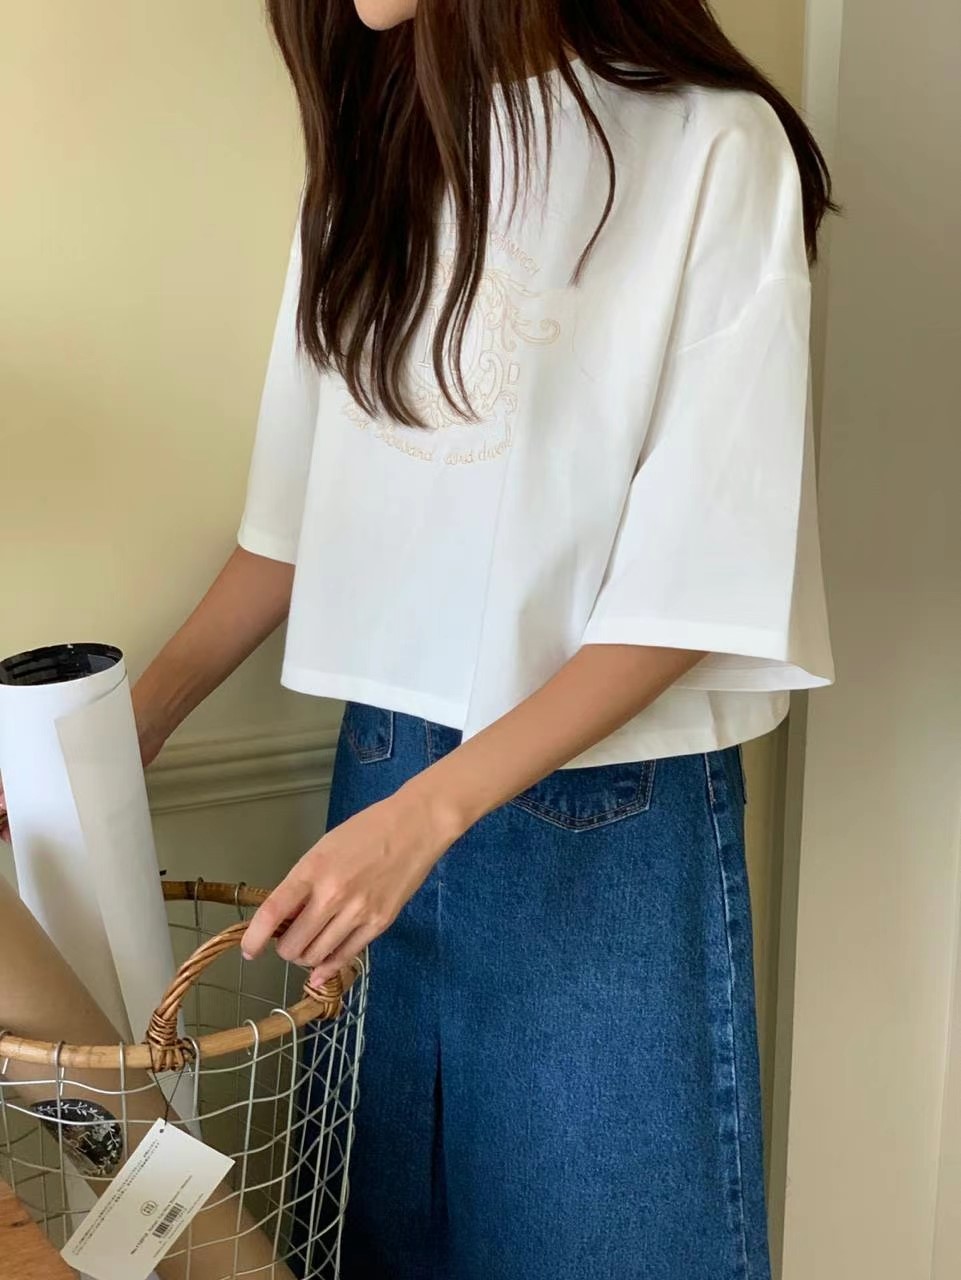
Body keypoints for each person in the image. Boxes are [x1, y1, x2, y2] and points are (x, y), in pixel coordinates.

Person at [2, 1, 835, 1276]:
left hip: (599, 819)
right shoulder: (371, 159)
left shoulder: (709, 145)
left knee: (597, 1245)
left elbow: (694, 590)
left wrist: (426, 817)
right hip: (379, 777)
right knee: (378, 1233)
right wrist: (119, 732)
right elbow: (296, 526)